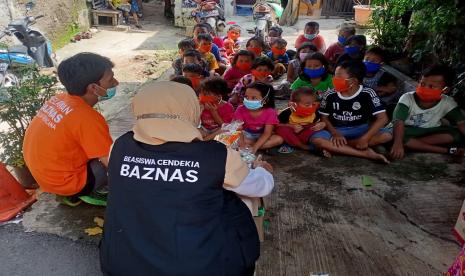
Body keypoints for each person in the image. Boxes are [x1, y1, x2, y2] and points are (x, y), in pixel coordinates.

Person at [100, 81, 274, 275]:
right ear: (189, 109)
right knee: (242, 202)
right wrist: (262, 170)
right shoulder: (216, 155)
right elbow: (261, 187)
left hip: (121, 265)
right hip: (198, 268)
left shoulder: (120, 146)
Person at [23, 53, 117, 206]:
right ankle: (80, 192)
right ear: (94, 88)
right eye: (110, 79)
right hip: (66, 183)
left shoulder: (59, 99)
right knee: (121, 160)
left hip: (44, 176)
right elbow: (111, 163)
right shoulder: (88, 118)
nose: (116, 82)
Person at [311, 60, 392, 162]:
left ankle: (341, 147)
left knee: (386, 136)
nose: (334, 79)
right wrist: (335, 133)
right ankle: (365, 153)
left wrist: (365, 138)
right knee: (317, 141)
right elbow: (324, 117)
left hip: (361, 130)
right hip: (336, 130)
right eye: (334, 76)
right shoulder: (330, 94)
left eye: (338, 76)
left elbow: (383, 118)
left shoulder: (368, 93)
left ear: (353, 81)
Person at [390, 65, 465, 159]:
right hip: (408, 130)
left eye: (431, 86)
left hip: (429, 131)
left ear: (445, 90)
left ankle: (413, 144)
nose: (425, 88)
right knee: (397, 135)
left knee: (455, 134)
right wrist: (398, 143)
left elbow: (461, 122)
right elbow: (398, 121)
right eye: (422, 84)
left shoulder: (448, 102)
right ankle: (446, 150)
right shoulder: (407, 98)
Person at [234, 82, 284, 153]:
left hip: (263, 135)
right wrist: (242, 145)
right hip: (246, 135)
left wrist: (254, 148)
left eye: (253, 98)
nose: (249, 100)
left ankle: (251, 147)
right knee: (234, 138)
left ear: (265, 100)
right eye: (246, 97)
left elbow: (267, 133)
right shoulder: (240, 109)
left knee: (279, 139)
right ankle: (262, 147)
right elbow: (238, 130)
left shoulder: (270, 112)